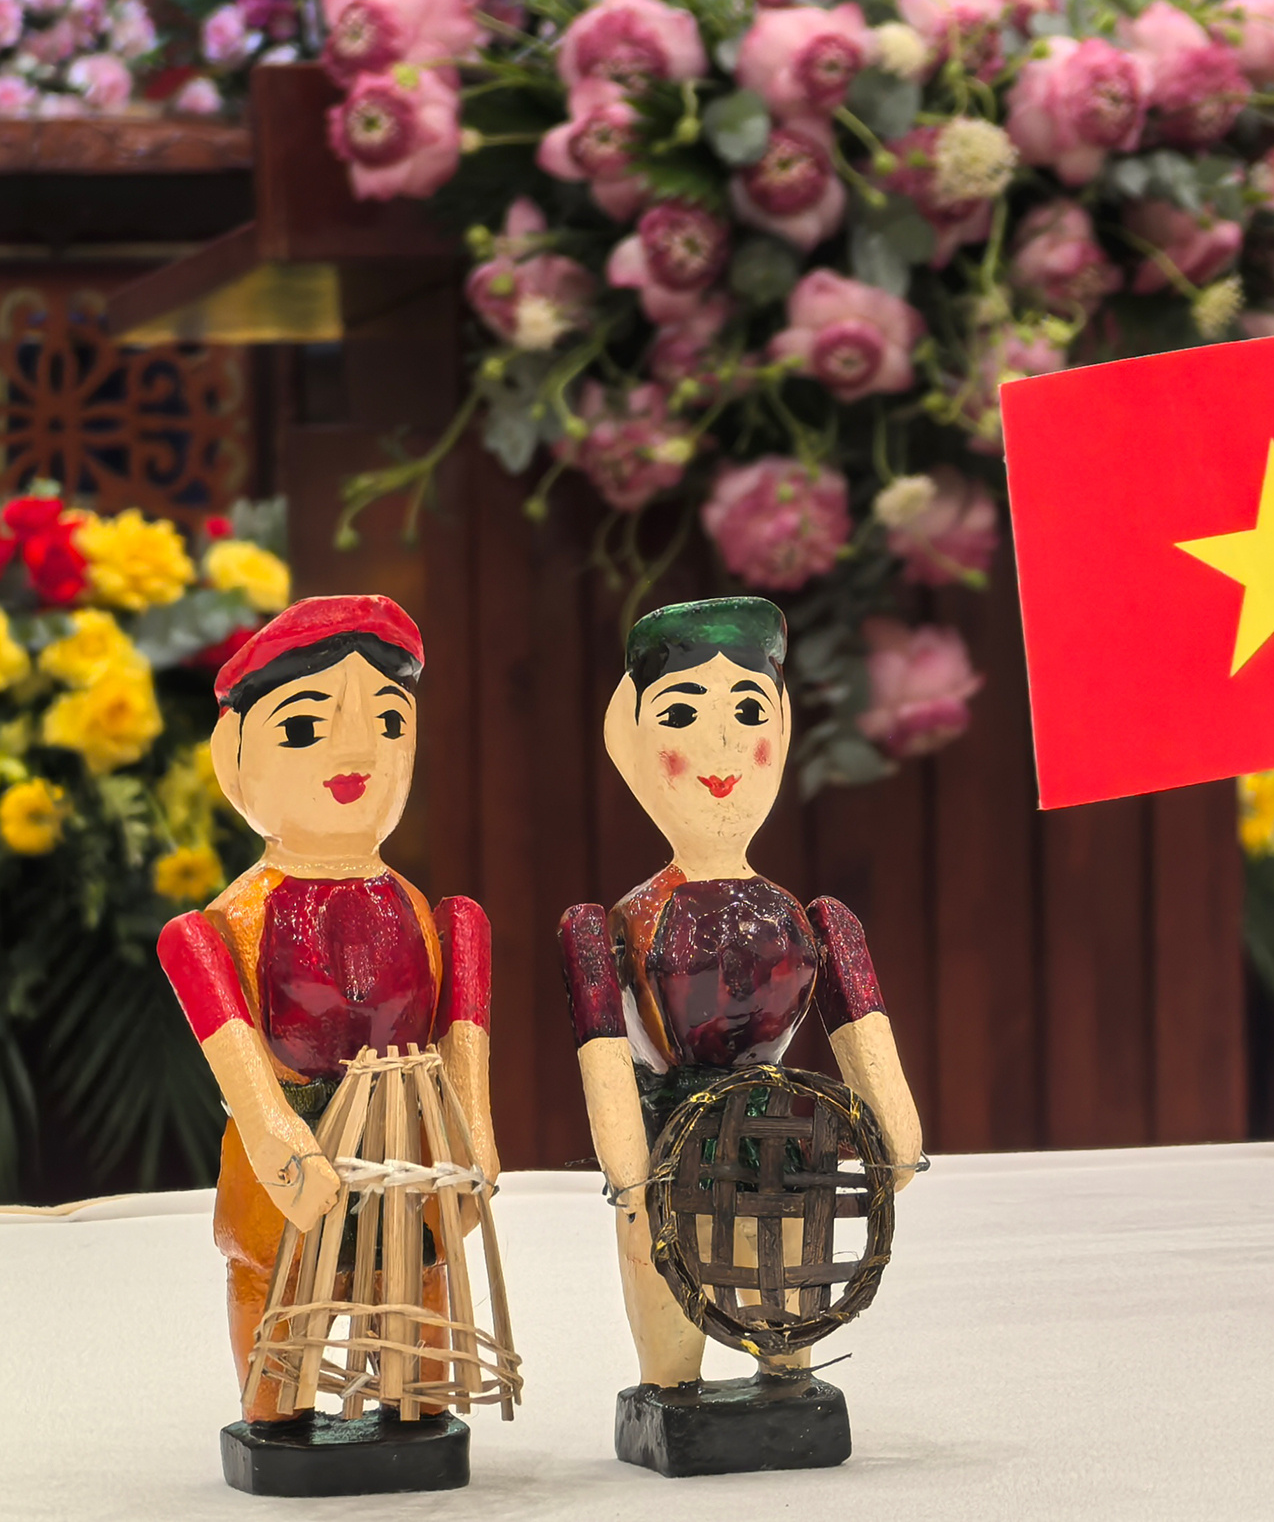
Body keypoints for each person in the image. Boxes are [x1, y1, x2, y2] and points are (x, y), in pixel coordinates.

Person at [559, 596, 924, 1390]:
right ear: (629, 741)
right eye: (680, 715)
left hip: (784, 1131)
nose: (722, 745)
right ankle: (672, 1385)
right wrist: (628, 1165)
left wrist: (895, 1134)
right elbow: (606, 1053)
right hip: (667, 1138)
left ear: (781, 733)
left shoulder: (814, 918)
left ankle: (785, 1369)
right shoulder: (616, 923)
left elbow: (862, 1029)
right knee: (667, 1278)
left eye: (749, 712)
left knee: (786, 1278)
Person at [155, 594, 497, 1426]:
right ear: (233, 756)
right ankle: (279, 1417)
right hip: (292, 1146)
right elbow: (242, 1069)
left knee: (413, 1284)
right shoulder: (224, 924)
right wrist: (279, 1140)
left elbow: (462, 1052)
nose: (355, 752)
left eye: (388, 723)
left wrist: (472, 1142)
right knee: (276, 1288)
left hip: (405, 1141)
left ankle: (412, 1407)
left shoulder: (434, 913)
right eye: (305, 727)